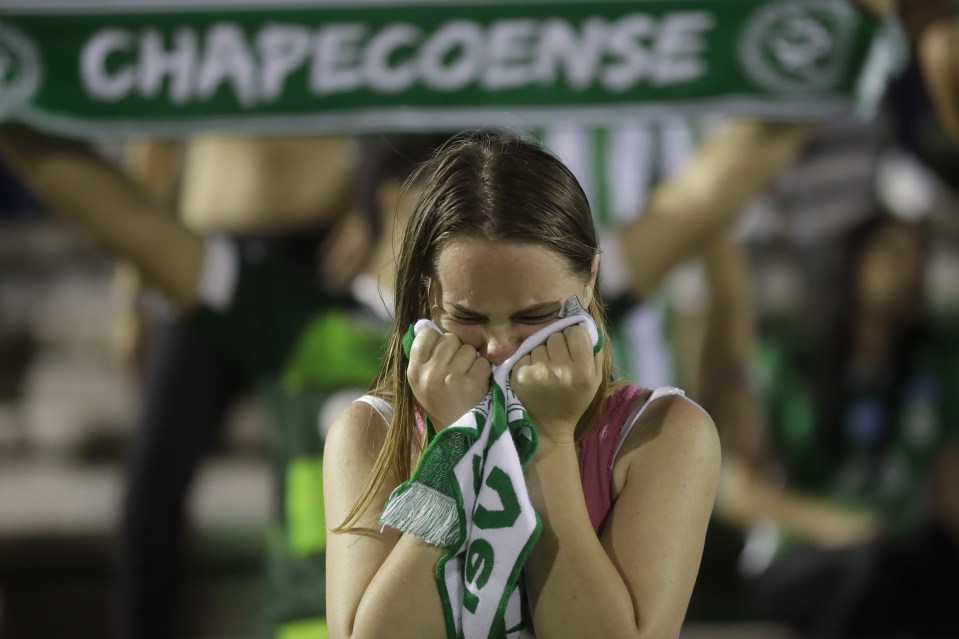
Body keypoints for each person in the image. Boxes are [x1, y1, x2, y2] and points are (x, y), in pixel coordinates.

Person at [0, 121, 450, 639]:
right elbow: (131, 225)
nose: (474, 225)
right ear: (396, 199)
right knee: (150, 492)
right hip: (309, 623)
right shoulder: (295, 316)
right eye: (452, 201)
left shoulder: (497, 342)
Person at [323, 131, 721, 639]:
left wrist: (550, 443)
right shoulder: (368, 432)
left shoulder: (666, 434)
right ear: (426, 297)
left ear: (590, 280)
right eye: (467, 316)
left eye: (534, 315)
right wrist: (452, 450)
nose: (499, 347)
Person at [714, 212, 959, 638]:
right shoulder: (786, 363)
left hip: (897, 556)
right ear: (852, 262)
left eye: (920, 255)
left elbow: (948, 499)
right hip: (798, 558)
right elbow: (737, 495)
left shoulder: (937, 369)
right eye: (894, 253)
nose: (911, 270)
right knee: (867, 569)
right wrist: (842, 526)